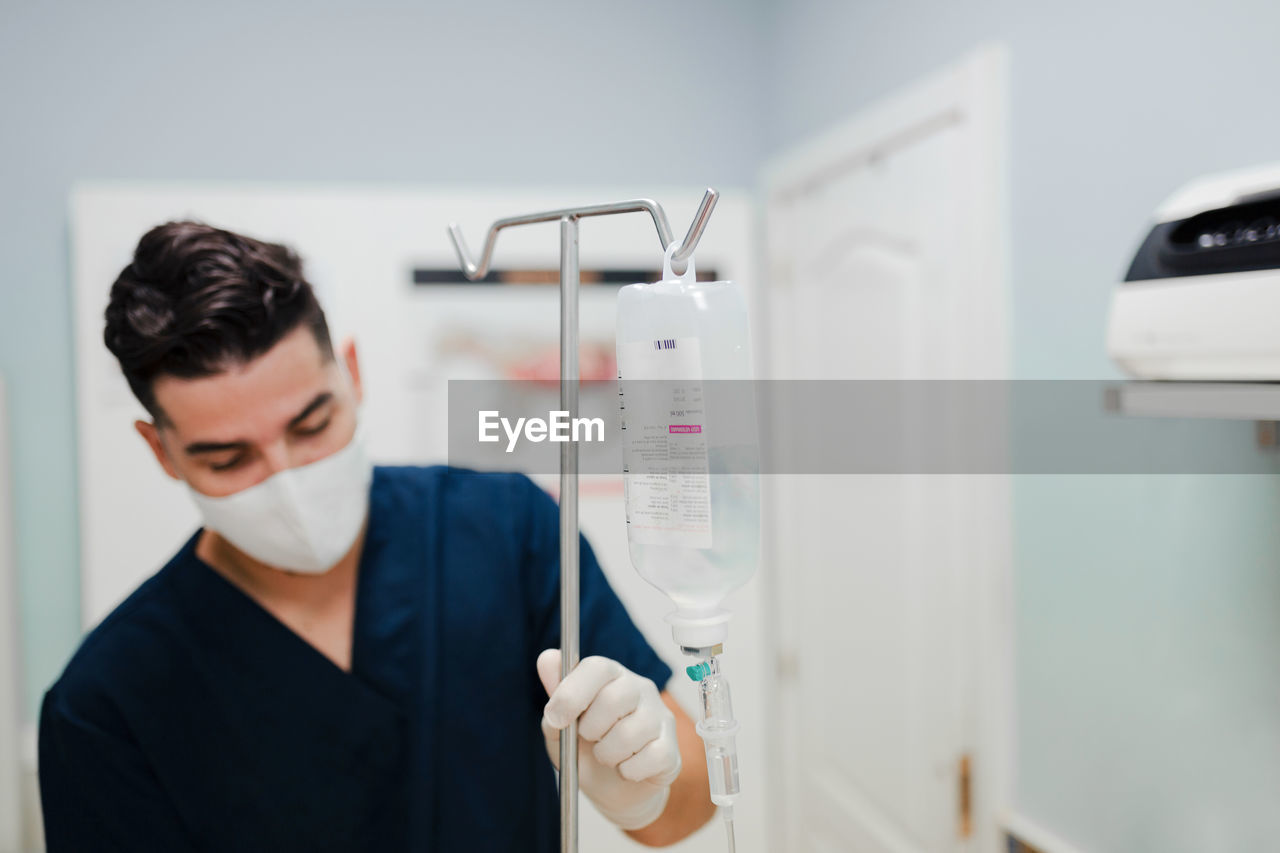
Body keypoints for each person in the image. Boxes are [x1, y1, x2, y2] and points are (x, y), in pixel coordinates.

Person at [38, 221, 715, 851]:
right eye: (229, 459)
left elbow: (692, 806)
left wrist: (644, 790)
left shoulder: (506, 530)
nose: (287, 479)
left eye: (311, 425)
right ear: (161, 450)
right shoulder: (107, 703)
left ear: (352, 375)